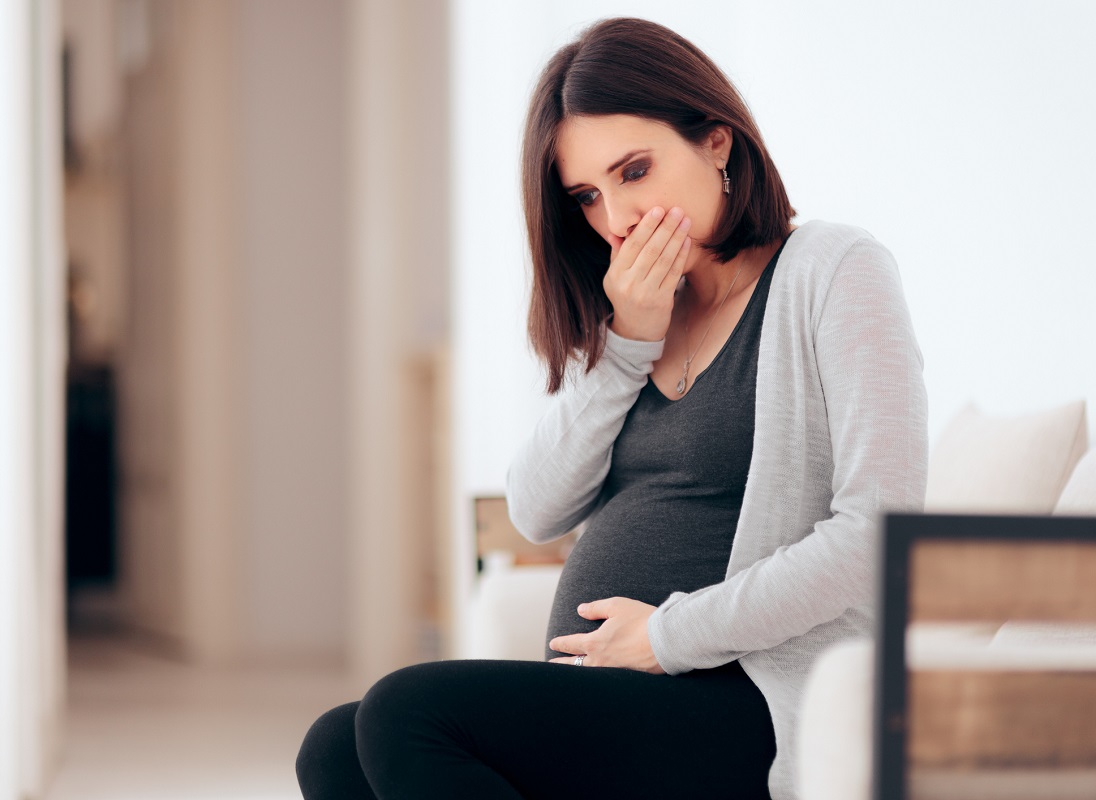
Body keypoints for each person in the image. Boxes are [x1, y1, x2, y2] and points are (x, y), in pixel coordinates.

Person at [296, 16, 927, 800]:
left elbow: (878, 532)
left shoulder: (834, 270)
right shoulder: (634, 313)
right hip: (625, 697)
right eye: (588, 196)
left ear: (717, 142)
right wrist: (627, 341)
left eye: (635, 171)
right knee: (331, 746)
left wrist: (668, 635)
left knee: (404, 713)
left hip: (744, 698)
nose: (616, 219)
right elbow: (535, 509)